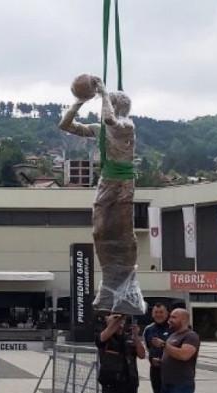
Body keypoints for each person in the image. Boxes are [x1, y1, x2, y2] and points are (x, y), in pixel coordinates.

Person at [59, 76, 145, 315]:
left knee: (123, 230)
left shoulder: (127, 125)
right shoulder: (99, 130)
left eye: (111, 102)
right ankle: (109, 287)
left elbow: (110, 119)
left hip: (123, 181)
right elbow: (65, 126)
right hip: (107, 180)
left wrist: (104, 93)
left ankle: (128, 287)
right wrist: (79, 102)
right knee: (99, 230)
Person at [143, 303, 172, 393]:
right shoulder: (148, 329)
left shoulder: (174, 328)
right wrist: (152, 359)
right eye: (156, 312)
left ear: (167, 313)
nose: (158, 315)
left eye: (161, 312)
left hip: (173, 371)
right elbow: (149, 349)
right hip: (155, 371)